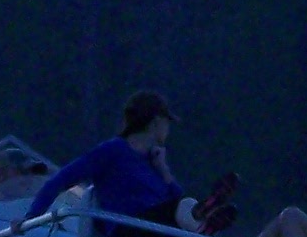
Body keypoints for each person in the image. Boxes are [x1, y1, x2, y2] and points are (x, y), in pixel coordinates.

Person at [29, 90, 191, 226]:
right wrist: (29, 218)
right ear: (156, 122)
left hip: (155, 231)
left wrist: (164, 171)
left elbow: (180, 204)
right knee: (188, 215)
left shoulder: (155, 162)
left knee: (196, 215)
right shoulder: (112, 151)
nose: (168, 129)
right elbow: (60, 180)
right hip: (127, 229)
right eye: (167, 122)